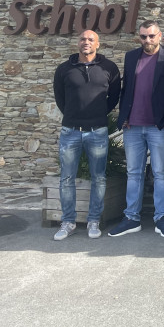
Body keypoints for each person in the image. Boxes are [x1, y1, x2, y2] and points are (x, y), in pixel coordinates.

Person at [108, 20, 164, 239]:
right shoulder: (131, 56)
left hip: (160, 126)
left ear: (160, 36)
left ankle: (162, 218)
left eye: (151, 36)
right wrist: (124, 116)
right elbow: (126, 89)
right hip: (132, 126)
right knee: (133, 173)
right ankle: (131, 218)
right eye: (143, 36)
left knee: (161, 173)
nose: (147, 40)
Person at [52, 30, 121, 241]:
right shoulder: (64, 69)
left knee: (98, 178)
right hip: (70, 132)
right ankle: (68, 222)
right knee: (66, 178)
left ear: (98, 44)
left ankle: (93, 221)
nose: (86, 42)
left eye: (91, 39)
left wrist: (97, 115)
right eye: (83, 39)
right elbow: (60, 99)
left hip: (97, 132)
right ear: (78, 43)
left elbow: (114, 97)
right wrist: (74, 116)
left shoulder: (109, 68)